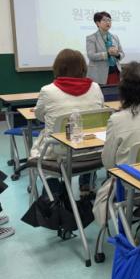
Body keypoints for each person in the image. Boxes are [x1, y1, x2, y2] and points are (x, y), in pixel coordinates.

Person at [31, 49, 104, 194]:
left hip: (60, 154)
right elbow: (99, 113)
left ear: (58, 68)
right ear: (83, 68)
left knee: (41, 146)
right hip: (93, 152)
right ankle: (86, 186)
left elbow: (39, 116)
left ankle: (53, 193)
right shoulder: (95, 88)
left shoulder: (47, 90)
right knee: (85, 133)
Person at [86, 11, 124, 85]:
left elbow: (122, 53)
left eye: (109, 20)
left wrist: (117, 54)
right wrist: (108, 54)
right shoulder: (91, 38)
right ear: (97, 23)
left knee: (115, 92)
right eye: (104, 20)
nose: (108, 22)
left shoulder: (115, 37)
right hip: (99, 75)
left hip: (115, 73)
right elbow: (91, 55)